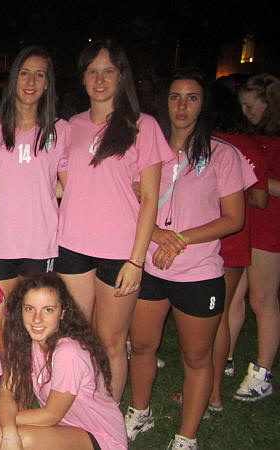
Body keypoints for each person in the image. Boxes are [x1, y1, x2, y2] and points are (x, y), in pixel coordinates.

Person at [125, 68, 255, 450]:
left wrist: (180, 239)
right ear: (164, 102)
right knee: (142, 346)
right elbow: (126, 203)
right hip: (150, 265)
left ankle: (187, 437)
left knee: (197, 357)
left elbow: (234, 218)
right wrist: (156, 234)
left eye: (192, 97)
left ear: (204, 104)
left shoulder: (222, 154)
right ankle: (140, 411)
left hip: (198, 271)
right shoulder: (146, 150)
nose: (182, 106)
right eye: (175, 97)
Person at [54, 40, 174, 401]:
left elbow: (150, 198)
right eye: (92, 71)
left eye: (108, 71)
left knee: (111, 341)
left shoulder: (142, 126)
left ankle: (108, 415)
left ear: (122, 76)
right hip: (72, 245)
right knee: (75, 336)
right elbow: (65, 183)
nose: (99, 79)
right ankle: (79, 406)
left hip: (120, 252)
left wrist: (136, 261)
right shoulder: (70, 126)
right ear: (83, 78)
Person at [0, 46, 69, 348]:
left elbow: (70, 187)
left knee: (40, 332)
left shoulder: (60, 130)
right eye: (24, 73)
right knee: (4, 332)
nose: (31, 82)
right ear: (14, 79)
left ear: (48, 83)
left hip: (40, 245)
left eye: (39, 75)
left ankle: (40, 375)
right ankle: (10, 376)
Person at [0, 273, 126, 450]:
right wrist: (8, 428)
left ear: (62, 313)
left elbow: (51, 415)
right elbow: (8, 391)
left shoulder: (68, 352)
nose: (37, 319)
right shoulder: (26, 344)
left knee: (0, 438)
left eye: (48, 310)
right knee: (4, 436)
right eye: (29, 308)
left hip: (101, 437)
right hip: (65, 429)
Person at [207, 82, 267, 409]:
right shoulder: (247, 144)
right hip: (231, 240)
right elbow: (257, 197)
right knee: (225, 311)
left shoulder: (214, 145)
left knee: (214, 317)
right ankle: (212, 385)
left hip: (218, 238)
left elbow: (258, 196)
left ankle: (211, 391)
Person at [230, 74, 280, 401]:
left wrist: (253, 179)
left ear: (269, 103)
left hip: (268, 226)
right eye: (242, 105)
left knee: (263, 300)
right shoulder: (251, 137)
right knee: (233, 296)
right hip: (244, 223)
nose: (246, 111)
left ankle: (263, 372)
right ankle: (225, 357)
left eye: (251, 105)